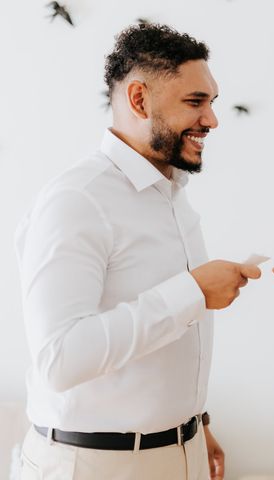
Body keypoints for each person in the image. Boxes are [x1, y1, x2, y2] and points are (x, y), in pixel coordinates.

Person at [16, 24, 261, 480]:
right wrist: (192, 292)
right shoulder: (78, 200)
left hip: (177, 452)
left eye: (212, 102)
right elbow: (60, 358)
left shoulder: (172, 193)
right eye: (195, 102)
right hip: (93, 466)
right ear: (139, 100)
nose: (212, 120)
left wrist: (192, 427)